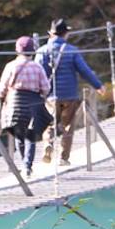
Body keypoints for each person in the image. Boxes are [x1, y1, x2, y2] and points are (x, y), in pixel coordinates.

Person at [38, 17, 105, 166]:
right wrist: (98, 85)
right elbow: (84, 71)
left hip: (50, 96)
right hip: (69, 95)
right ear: (65, 34)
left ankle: (48, 143)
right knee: (68, 126)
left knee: (50, 124)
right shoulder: (72, 51)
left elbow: (38, 73)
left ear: (51, 34)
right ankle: (63, 158)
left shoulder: (41, 51)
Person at [0, 35, 52, 172]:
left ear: (17, 50)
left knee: (18, 133)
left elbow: (2, 88)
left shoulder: (11, 66)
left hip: (15, 103)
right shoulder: (37, 67)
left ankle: (24, 163)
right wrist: (41, 96)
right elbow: (46, 88)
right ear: (33, 50)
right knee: (30, 134)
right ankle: (28, 165)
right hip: (33, 103)